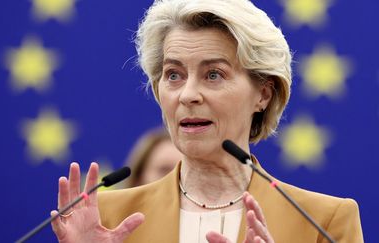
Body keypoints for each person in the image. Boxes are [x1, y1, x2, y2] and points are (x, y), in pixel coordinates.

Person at [50, 0, 363, 242]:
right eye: (174, 74)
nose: (188, 95)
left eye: (213, 74)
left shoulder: (323, 220)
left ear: (263, 94)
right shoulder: (109, 216)